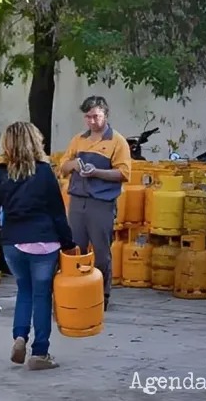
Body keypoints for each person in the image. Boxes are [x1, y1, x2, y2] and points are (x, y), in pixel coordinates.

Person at [0, 121, 75, 371]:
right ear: (35, 142)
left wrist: (0, 235)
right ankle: (40, 352)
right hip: (44, 242)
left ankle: (20, 337)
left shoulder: (0, 173)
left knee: (24, 291)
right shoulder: (44, 171)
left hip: (14, 242)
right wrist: (68, 244)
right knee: (42, 295)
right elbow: (58, 212)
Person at [59, 95, 131, 311]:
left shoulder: (117, 141)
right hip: (77, 200)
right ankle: (77, 291)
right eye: (88, 117)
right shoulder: (78, 140)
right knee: (75, 248)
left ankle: (102, 295)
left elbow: (124, 173)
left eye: (96, 116)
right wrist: (73, 165)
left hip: (102, 202)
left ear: (105, 115)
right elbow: (62, 166)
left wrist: (97, 172)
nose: (92, 121)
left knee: (101, 251)